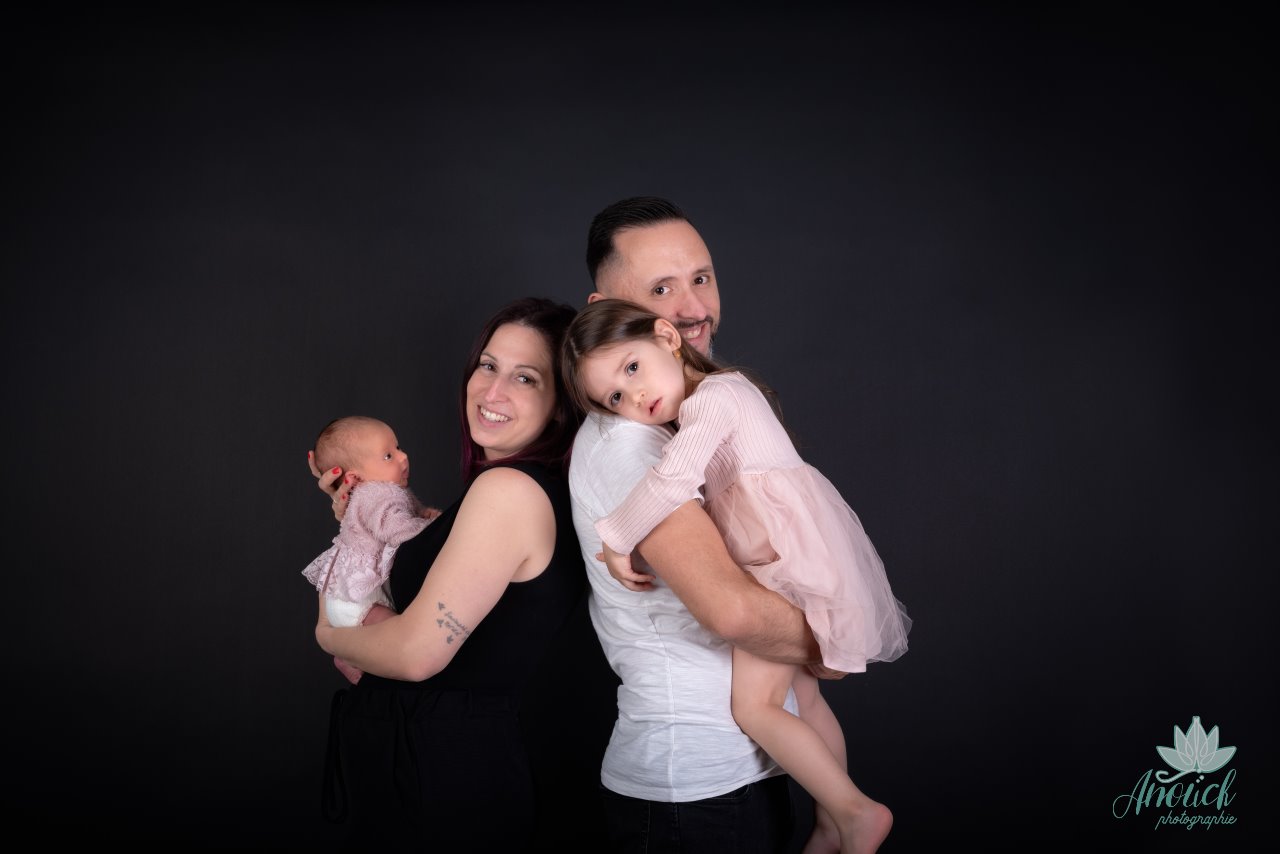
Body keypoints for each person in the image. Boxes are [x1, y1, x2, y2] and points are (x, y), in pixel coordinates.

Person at [563, 298, 911, 854]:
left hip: (776, 559)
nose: (635, 397)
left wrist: (617, 534)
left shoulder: (715, 399)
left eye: (632, 367)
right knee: (803, 699)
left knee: (755, 707)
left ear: (667, 338)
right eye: (616, 398)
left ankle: (855, 812)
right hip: (785, 552)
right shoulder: (704, 402)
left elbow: (674, 479)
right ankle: (832, 820)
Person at [566, 196, 836, 853]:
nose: (692, 308)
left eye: (701, 278)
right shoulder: (632, 444)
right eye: (661, 289)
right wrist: (833, 636)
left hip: (736, 777)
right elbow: (733, 613)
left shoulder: (689, 410)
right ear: (606, 308)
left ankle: (841, 819)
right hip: (693, 791)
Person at [306, 297, 593, 850]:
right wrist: (358, 516)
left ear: (561, 403)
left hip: (448, 778)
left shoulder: (508, 490)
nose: (492, 391)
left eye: (526, 377)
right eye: (488, 365)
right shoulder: (512, 488)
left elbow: (416, 655)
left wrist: (326, 635)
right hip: (435, 766)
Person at [302, 415, 440, 684]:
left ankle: (350, 657)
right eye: (388, 456)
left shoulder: (385, 489)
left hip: (348, 597)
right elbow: (399, 530)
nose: (403, 457)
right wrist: (436, 529)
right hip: (358, 603)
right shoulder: (376, 496)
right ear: (355, 477)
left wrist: (426, 515)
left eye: (398, 447)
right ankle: (351, 660)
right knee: (398, 639)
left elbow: (410, 510)